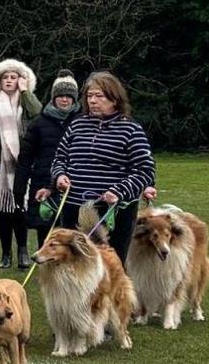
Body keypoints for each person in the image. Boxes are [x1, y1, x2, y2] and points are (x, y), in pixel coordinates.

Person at [46, 71, 155, 255]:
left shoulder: (131, 129)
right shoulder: (77, 125)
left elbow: (145, 171)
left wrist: (119, 191)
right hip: (74, 206)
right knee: (74, 262)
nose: (92, 101)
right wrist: (60, 175)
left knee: (110, 266)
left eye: (99, 96)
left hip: (111, 211)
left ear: (114, 99)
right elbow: (60, 158)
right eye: (89, 96)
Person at [0, 59, 39, 268]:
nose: (9, 81)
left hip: (23, 163)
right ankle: (5, 253)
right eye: (6, 78)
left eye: (13, 77)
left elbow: (38, 114)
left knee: (20, 207)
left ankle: (22, 251)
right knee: (3, 210)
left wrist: (26, 92)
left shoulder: (27, 100)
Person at [23, 71, 79, 245]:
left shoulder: (83, 121)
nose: (64, 100)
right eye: (60, 96)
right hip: (43, 181)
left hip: (74, 185)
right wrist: (20, 185)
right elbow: (26, 155)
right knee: (45, 230)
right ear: (54, 97)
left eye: (68, 96)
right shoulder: (38, 123)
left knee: (72, 231)